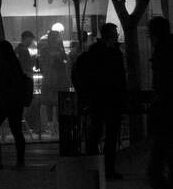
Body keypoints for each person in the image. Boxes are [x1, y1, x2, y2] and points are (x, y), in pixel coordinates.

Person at [76, 23, 126, 180]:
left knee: (95, 133)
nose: (117, 34)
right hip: (110, 100)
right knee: (110, 135)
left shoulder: (93, 52)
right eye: (115, 32)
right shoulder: (113, 53)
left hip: (97, 100)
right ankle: (108, 169)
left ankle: (93, 167)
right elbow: (119, 78)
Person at [145, 17, 173, 189]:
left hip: (167, 117)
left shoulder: (162, 53)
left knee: (155, 173)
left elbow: (163, 85)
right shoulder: (165, 50)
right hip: (167, 115)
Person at [0, 38, 30, 168]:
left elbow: (3, 83)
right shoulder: (14, 63)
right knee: (16, 131)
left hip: (7, 101)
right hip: (15, 101)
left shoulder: (4, 64)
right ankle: (20, 161)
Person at [38, 29, 69, 135]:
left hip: (56, 79)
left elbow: (64, 61)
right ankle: (52, 127)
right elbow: (45, 63)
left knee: (56, 104)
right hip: (51, 79)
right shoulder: (46, 50)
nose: (58, 39)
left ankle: (55, 127)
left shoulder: (59, 50)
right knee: (50, 104)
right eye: (57, 37)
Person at [15, 30, 39, 135]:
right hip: (25, 80)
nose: (32, 42)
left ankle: (21, 126)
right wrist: (35, 59)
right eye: (31, 39)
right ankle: (21, 126)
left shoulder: (19, 49)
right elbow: (27, 65)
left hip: (21, 80)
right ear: (27, 38)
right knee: (25, 103)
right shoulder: (23, 50)